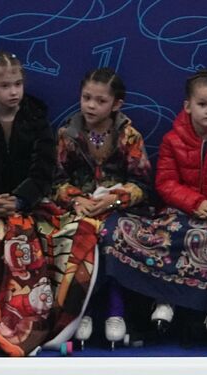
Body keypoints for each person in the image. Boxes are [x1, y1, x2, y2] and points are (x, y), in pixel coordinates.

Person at [108, 69, 207, 339]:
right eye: (202, 104)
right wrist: (194, 203)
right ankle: (166, 300)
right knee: (173, 232)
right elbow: (165, 182)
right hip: (182, 209)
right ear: (188, 106)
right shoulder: (172, 140)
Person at [0, 51, 64, 356]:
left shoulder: (37, 119)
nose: (13, 92)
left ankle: (24, 326)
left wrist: (21, 198)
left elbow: (44, 169)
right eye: (6, 85)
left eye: (18, 84)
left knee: (20, 236)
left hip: (28, 205)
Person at [52, 68, 153, 348]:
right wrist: (75, 199)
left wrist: (116, 198)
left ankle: (115, 310)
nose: (91, 106)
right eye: (86, 98)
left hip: (118, 209)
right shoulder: (67, 134)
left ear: (116, 104)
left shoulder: (129, 136)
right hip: (81, 208)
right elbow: (56, 180)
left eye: (100, 101)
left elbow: (143, 184)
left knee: (113, 234)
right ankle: (84, 310)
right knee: (81, 235)